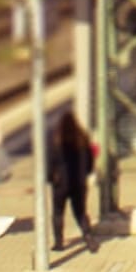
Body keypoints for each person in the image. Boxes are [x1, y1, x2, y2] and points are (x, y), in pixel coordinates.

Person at [45, 106, 94, 250]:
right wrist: (86, 173)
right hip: (79, 182)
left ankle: (59, 242)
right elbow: (90, 160)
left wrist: (50, 178)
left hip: (61, 183)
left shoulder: (56, 140)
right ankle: (88, 236)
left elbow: (50, 161)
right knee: (80, 211)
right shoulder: (82, 138)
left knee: (58, 212)